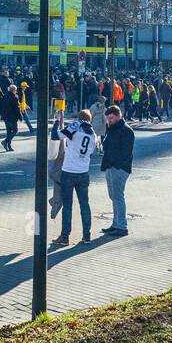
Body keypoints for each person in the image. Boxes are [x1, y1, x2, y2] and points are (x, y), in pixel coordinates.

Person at [50, 109, 97, 247]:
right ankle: (87, 236)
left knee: (68, 206)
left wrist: (57, 121)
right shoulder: (93, 134)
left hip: (69, 171)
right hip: (83, 172)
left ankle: (65, 237)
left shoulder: (75, 127)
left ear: (79, 118)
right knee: (84, 205)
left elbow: (55, 136)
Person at [100, 104, 135, 237]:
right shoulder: (112, 128)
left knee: (118, 196)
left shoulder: (126, 130)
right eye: (108, 118)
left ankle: (122, 226)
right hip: (111, 166)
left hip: (119, 168)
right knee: (113, 196)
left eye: (111, 118)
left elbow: (126, 152)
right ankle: (116, 224)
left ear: (119, 116)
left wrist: (116, 165)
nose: (109, 121)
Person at [0, 83, 21, 151]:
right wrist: (20, 117)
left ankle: (8, 146)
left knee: (9, 131)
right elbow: (17, 109)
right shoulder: (14, 98)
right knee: (15, 130)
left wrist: (2, 114)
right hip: (12, 116)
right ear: (14, 90)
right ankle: (5, 141)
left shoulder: (4, 96)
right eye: (15, 90)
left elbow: (0, 106)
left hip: (5, 116)